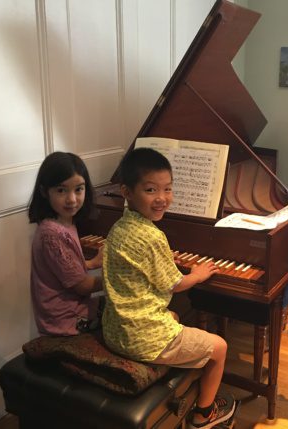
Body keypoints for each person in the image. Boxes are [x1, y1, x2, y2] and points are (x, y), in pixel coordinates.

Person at [102, 148, 236, 429]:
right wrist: (198, 274)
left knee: (175, 317)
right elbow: (176, 284)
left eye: (168, 189)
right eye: (151, 190)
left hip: (116, 330)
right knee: (220, 347)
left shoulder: (118, 228)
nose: (162, 198)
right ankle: (204, 415)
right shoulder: (152, 236)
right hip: (142, 338)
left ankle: (184, 386)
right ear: (127, 191)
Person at [29, 152, 104, 336]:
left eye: (79, 189)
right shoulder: (52, 234)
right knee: (133, 309)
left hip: (72, 310)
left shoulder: (64, 221)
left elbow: (63, 269)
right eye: (61, 190)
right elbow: (83, 286)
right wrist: (120, 278)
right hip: (69, 322)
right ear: (44, 191)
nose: (72, 199)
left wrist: (92, 263)